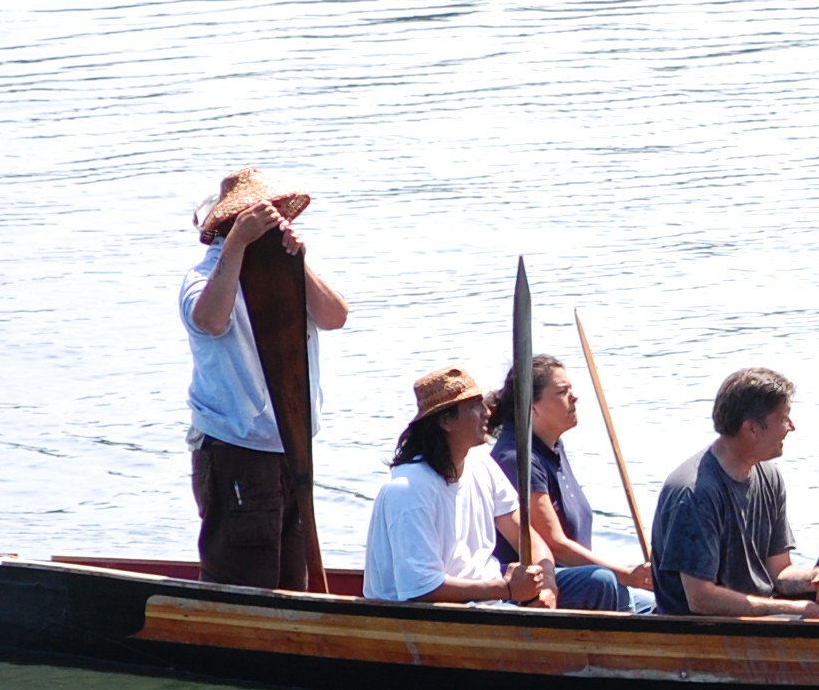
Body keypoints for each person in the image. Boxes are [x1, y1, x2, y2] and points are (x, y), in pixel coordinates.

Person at [181, 168, 349, 587]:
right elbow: (210, 320)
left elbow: (335, 316)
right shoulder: (205, 276)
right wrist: (238, 243)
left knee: (293, 576)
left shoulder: (287, 270)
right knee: (245, 575)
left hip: (291, 447)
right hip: (235, 446)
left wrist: (300, 260)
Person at [651, 367, 819, 620]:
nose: (791, 427)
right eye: (783, 418)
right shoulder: (694, 493)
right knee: (800, 619)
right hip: (703, 625)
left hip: (756, 607)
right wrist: (796, 609)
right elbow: (701, 599)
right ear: (752, 428)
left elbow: (780, 571)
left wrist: (816, 579)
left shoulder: (769, 476)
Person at [362, 366, 556, 606]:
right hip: (436, 616)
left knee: (598, 583)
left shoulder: (482, 463)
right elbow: (421, 588)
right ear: (445, 420)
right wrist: (506, 589)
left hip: (489, 596)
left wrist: (547, 587)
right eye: (474, 405)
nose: (487, 412)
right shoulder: (408, 489)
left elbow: (523, 534)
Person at [489, 354, 654, 613]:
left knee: (660, 606)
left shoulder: (551, 447)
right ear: (532, 407)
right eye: (562, 392)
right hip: (544, 588)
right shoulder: (517, 459)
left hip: (577, 577)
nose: (574, 397)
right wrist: (627, 574)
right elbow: (555, 545)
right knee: (604, 582)